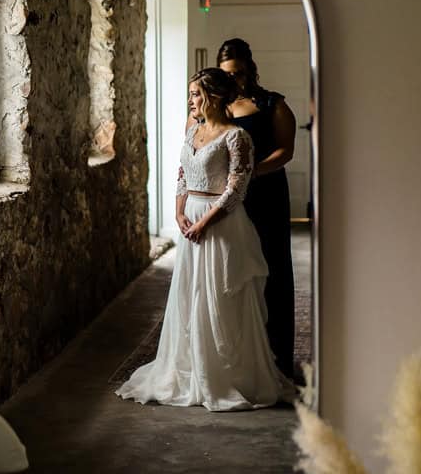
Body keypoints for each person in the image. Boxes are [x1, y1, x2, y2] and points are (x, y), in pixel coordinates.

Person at [116, 68, 292, 411]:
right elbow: (183, 174)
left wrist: (205, 223)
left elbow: (235, 190)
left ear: (212, 96)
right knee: (190, 295)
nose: (190, 100)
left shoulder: (237, 137)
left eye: (195, 94)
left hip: (222, 224)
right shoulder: (194, 130)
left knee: (220, 296)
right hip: (191, 219)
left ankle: (226, 375)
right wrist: (179, 212)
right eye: (191, 94)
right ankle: (190, 368)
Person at [217, 38, 297, 381]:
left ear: (249, 68)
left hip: (265, 193)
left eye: (238, 72)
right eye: (227, 74)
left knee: (271, 266)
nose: (234, 80)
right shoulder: (217, 106)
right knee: (231, 268)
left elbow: (285, 150)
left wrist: (250, 174)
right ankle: (235, 355)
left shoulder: (272, 104)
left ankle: (276, 354)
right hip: (227, 195)